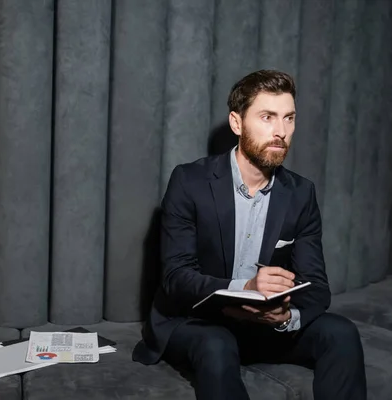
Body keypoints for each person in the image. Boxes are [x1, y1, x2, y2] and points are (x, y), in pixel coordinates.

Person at [132, 70, 367, 400]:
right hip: (200, 322)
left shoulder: (301, 194)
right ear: (237, 123)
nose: (281, 131)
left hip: (263, 328)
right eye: (267, 117)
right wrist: (244, 288)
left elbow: (316, 286)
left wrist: (286, 316)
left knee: (341, 333)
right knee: (217, 343)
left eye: (289, 118)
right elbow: (176, 277)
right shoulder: (190, 181)